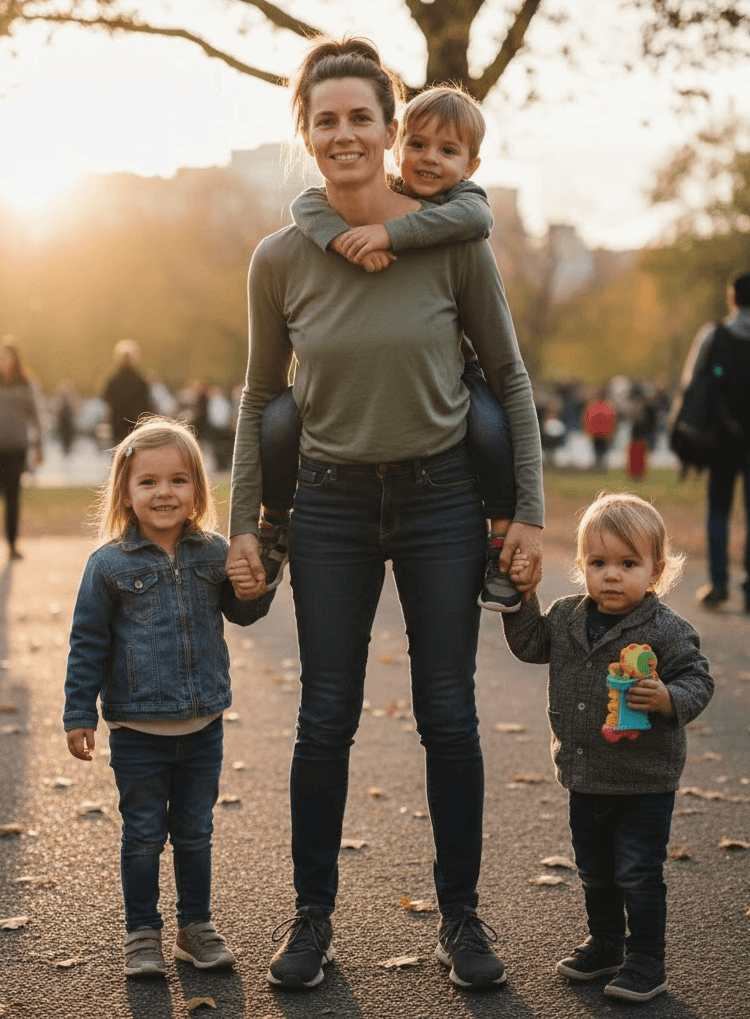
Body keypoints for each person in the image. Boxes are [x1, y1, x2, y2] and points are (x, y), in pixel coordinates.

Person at [227, 38, 544, 992]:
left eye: (361, 116)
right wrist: (244, 522)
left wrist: (527, 513)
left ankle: (462, 916)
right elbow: (258, 399)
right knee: (325, 715)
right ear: (306, 131)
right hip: (327, 505)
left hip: (442, 498)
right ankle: (312, 916)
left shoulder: (452, 240)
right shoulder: (279, 258)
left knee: (449, 713)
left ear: (389, 125)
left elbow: (510, 380)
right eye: (324, 119)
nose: (344, 133)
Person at [256, 85, 521, 612]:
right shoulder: (312, 231)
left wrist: (390, 235)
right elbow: (305, 203)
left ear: (471, 165)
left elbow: (478, 221)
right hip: (334, 481)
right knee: (278, 418)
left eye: (448, 151)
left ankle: (501, 536)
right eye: (419, 145)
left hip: (454, 378)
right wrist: (338, 237)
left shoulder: (465, 208)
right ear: (398, 146)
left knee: (491, 428)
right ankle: (274, 521)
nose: (431, 159)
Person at [63, 418, 275, 978]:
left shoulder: (215, 552)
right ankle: (141, 933)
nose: (164, 493)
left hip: (203, 726)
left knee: (195, 832)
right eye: (149, 482)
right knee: (142, 836)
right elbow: (88, 642)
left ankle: (195, 927)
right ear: (125, 494)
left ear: (198, 491)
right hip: (137, 730)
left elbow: (244, 611)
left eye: (179, 480)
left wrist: (256, 586)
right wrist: (79, 712)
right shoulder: (108, 565)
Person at [503, 492, 713, 1003]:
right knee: (594, 870)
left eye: (627, 564)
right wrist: (524, 598)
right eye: (598, 563)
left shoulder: (666, 630)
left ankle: (646, 960)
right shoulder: (566, 616)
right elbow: (530, 644)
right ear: (582, 567)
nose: (611, 576)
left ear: (655, 570)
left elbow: (698, 679)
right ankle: (605, 943)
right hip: (585, 772)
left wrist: (667, 698)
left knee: (637, 873)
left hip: (644, 779)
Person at [676, 270, 750, 611]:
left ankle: (718, 585)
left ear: (732, 298)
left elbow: (690, 382)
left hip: (721, 441)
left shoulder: (715, 334)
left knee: (719, 510)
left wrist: (680, 428)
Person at [0, 336, 43, 559]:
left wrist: (40, 445)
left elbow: (36, 416)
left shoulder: (26, 384)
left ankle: (12, 543)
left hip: (16, 448)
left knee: (12, 497)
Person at [103, 339, 152, 445]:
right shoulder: (139, 379)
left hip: (119, 424)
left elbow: (106, 399)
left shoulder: (113, 379)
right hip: (134, 424)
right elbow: (146, 404)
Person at [583, 387, 617, 472]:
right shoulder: (609, 406)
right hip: (605, 433)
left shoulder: (592, 405)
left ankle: (598, 465)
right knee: (602, 450)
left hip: (596, 433)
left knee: (597, 450)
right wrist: (612, 431)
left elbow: (587, 419)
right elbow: (613, 420)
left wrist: (587, 430)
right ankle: (601, 465)